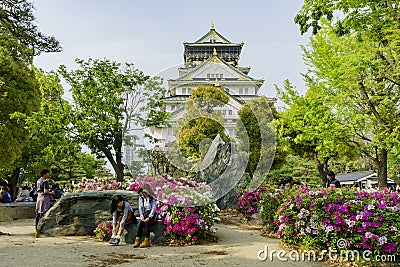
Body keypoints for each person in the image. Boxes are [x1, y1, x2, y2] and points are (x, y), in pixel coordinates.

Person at [133, 184, 158, 248]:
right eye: (143, 192)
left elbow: (153, 209)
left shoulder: (153, 198)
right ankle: (144, 240)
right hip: (145, 215)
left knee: (147, 214)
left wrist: (149, 217)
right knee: (143, 222)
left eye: (146, 192)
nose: (144, 193)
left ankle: (139, 239)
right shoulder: (141, 198)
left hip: (152, 216)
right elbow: (140, 208)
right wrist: (141, 216)